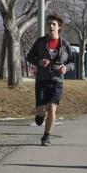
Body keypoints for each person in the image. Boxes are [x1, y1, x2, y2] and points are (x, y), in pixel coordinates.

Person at [26, 14, 75, 146]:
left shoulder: (65, 44)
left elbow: (72, 62)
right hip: (42, 80)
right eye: (49, 24)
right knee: (42, 109)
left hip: (57, 81)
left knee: (52, 109)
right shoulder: (40, 42)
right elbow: (29, 57)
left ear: (59, 27)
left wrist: (66, 67)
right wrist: (39, 62)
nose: (51, 26)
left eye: (54, 24)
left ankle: (46, 136)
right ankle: (40, 115)